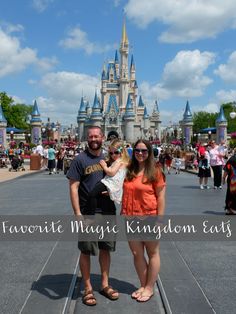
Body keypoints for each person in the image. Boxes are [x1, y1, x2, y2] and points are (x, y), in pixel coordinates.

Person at [67, 126, 119, 306]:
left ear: (103, 137)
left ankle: (105, 284)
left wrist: (114, 191)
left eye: (97, 136)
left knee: (106, 249)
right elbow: (73, 187)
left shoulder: (111, 157)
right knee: (86, 250)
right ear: (87, 138)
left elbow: (121, 178)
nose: (94, 139)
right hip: (88, 212)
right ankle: (88, 288)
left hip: (107, 210)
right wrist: (77, 213)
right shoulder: (79, 160)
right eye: (91, 136)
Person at [121, 139, 166, 302]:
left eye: (144, 151)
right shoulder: (129, 170)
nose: (140, 153)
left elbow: (161, 197)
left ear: (150, 152)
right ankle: (143, 284)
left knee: (152, 253)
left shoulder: (155, 171)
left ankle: (149, 288)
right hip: (130, 216)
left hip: (149, 216)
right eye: (137, 150)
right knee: (136, 253)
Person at [88, 139, 129, 212]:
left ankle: (90, 216)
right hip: (113, 184)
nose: (113, 155)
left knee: (92, 194)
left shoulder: (119, 161)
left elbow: (111, 172)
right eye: (111, 153)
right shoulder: (122, 161)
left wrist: (104, 166)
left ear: (122, 151)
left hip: (110, 183)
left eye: (116, 152)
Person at [223, 148, 236, 215]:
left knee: (230, 194)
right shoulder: (232, 159)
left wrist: (223, 178)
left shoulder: (231, 159)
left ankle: (229, 209)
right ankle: (232, 209)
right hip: (233, 180)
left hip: (231, 180)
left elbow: (226, 170)